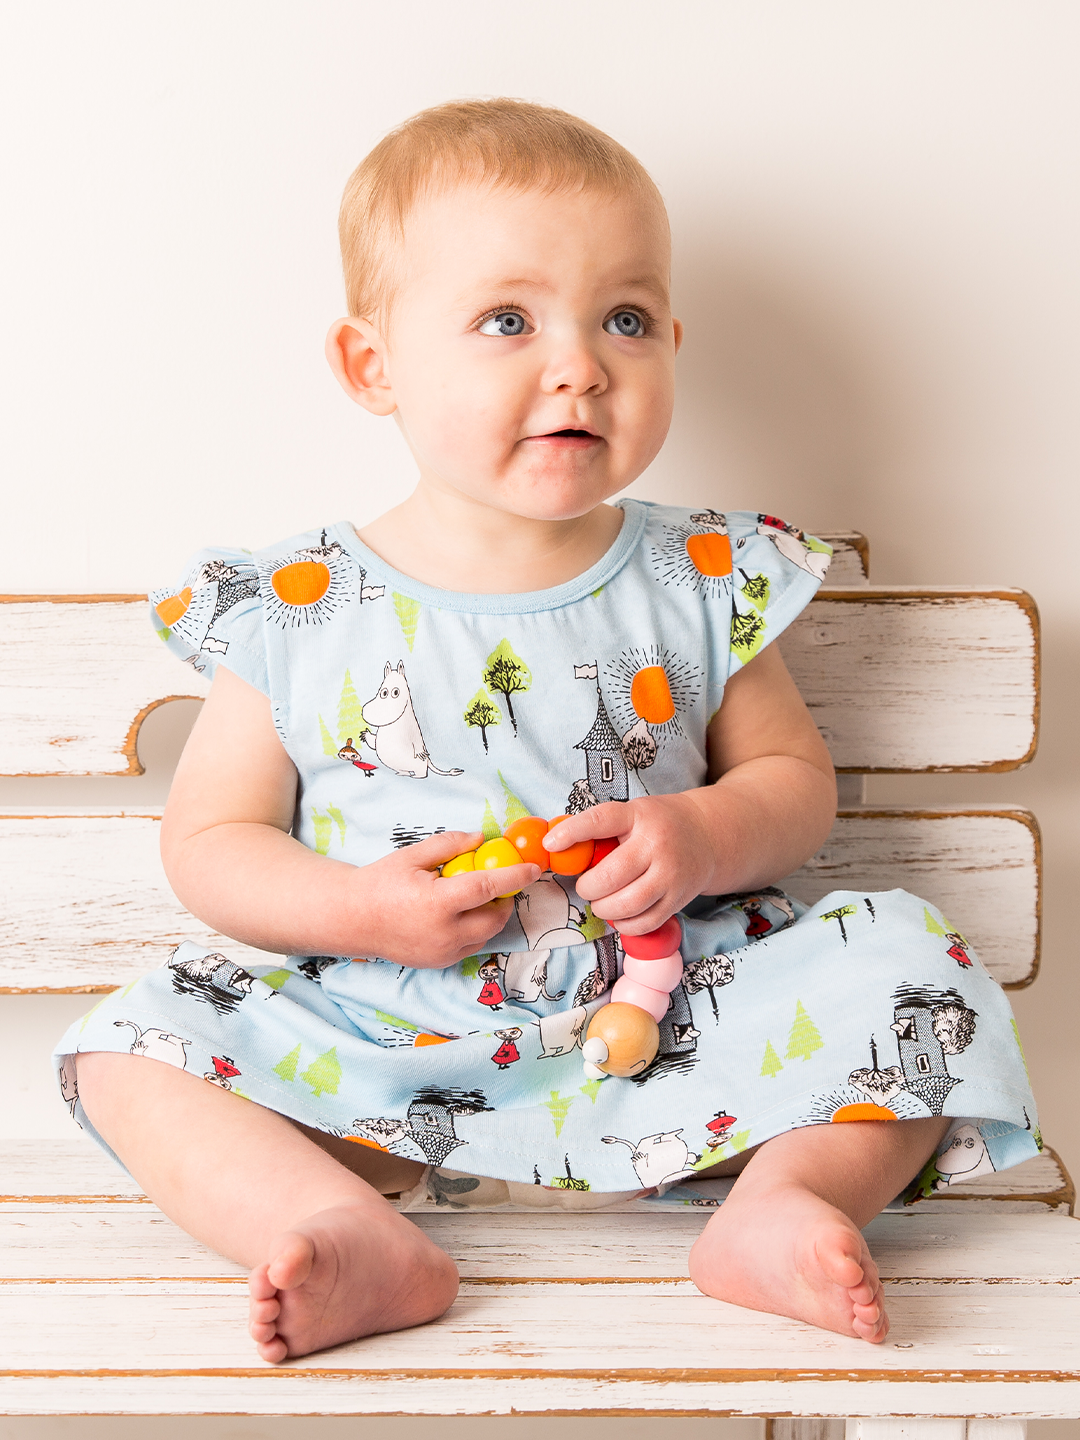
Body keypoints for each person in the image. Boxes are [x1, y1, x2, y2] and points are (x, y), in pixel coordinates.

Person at [56, 98, 1039, 1365]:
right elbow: (210, 843)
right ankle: (334, 1224)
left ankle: (783, 1201)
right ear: (373, 366)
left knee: (913, 961)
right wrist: (360, 912)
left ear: (672, 341)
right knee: (132, 1045)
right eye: (508, 321)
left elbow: (792, 781)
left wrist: (703, 833)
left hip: (681, 1019)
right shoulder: (295, 606)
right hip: (388, 1038)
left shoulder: (701, 575)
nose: (579, 365)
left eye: (624, 318)